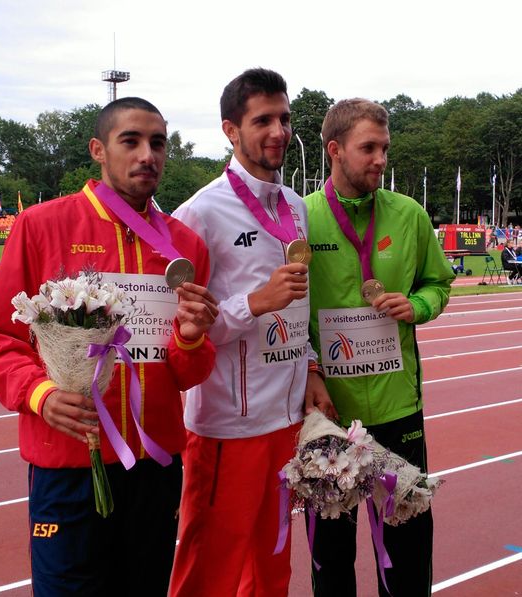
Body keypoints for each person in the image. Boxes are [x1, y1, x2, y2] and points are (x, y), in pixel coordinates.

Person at [0, 97, 219, 596]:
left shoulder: (186, 247)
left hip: (155, 468)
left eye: (158, 143)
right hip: (68, 461)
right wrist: (40, 395)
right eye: (131, 141)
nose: (147, 154)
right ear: (98, 150)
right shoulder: (42, 226)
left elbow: (187, 373)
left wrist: (190, 340)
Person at [168, 68, 333, 597]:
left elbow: (299, 304)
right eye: (262, 120)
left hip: (284, 421)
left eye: (284, 118)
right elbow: (181, 329)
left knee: (273, 565)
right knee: (210, 569)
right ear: (230, 130)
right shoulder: (199, 213)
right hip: (226, 427)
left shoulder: (296, 208)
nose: (278, 131)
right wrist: (254, 304)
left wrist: (309, 366)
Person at [304, 98, 455, 597]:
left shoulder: (409, 215)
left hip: (398, 408)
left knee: (408, 552)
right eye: (368, 148)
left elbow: (439, 283)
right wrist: (309, 374)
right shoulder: (301, 219)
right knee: (331, 555)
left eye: (385, 148)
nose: (380, 160)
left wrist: (418, 305)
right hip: (329, 416)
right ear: (334, 150)